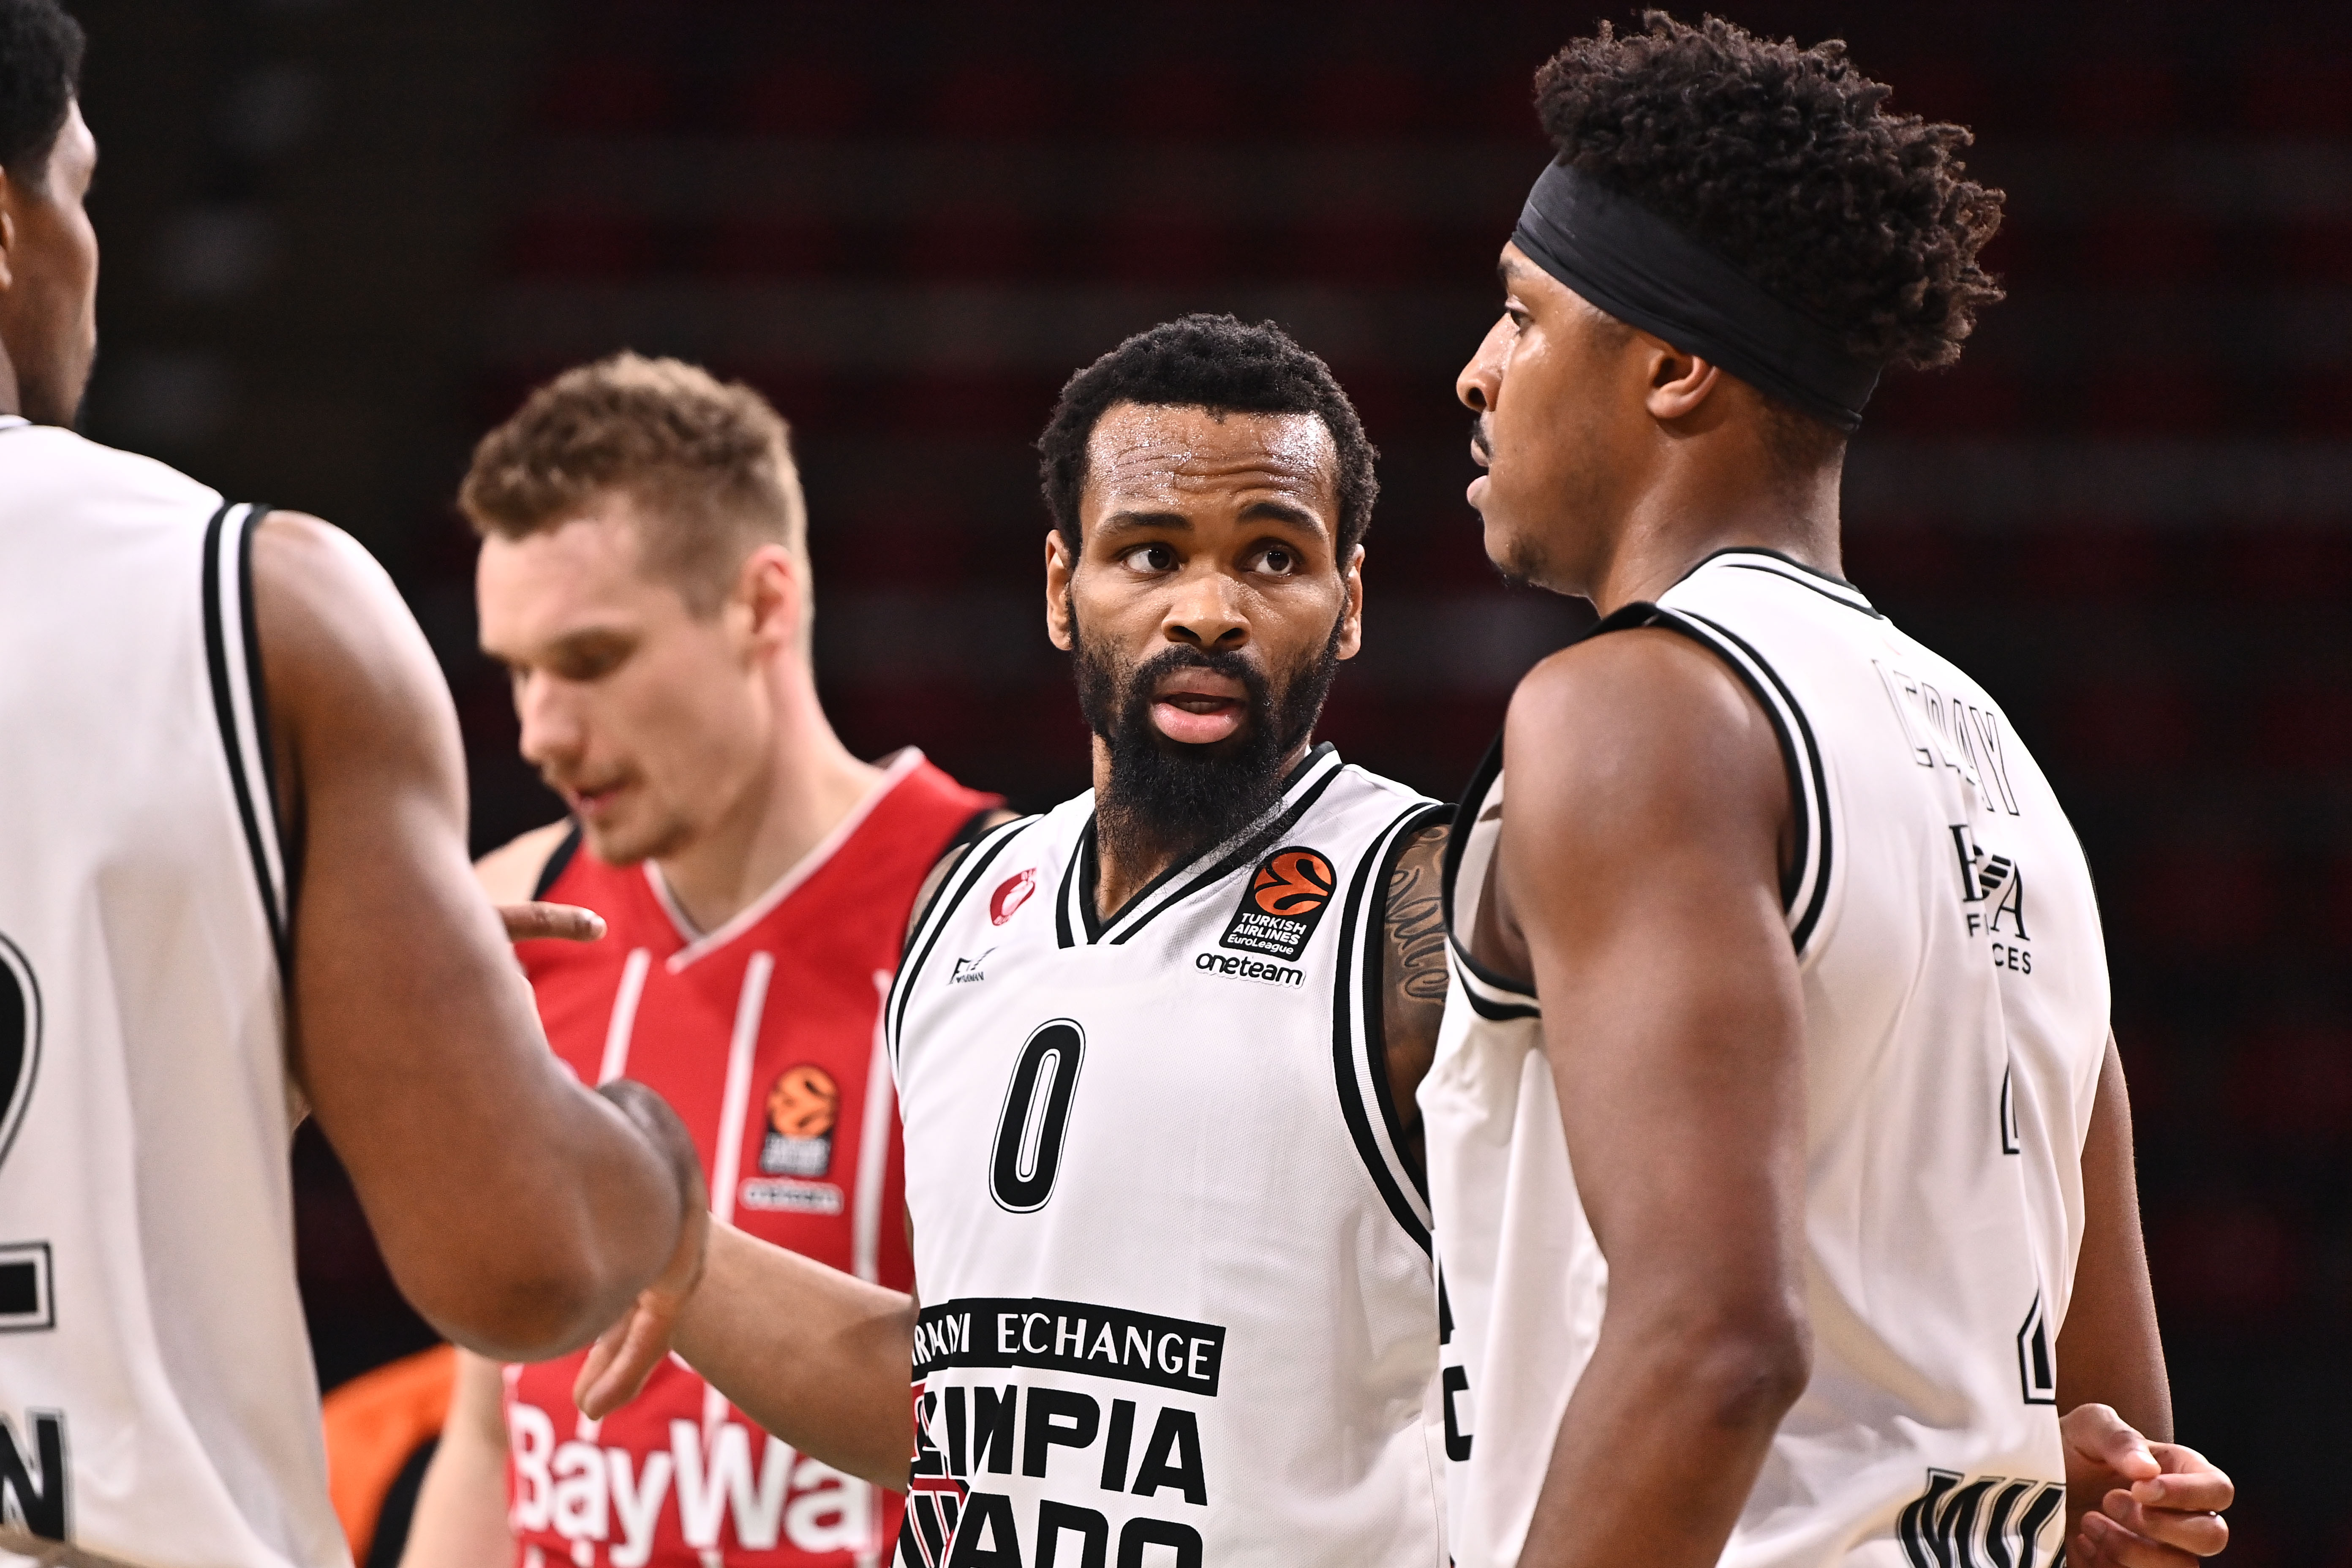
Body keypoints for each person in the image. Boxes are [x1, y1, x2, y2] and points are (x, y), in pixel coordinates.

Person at [1418, 16, 2233, 1568]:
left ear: (1672, 370)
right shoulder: (2005, 765)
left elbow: (1713, 1345)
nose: (1480, 371)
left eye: (1523, 316)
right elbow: (2122, 1433)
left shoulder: (1638, 709)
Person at [573, 315, 1459, 1568]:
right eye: (1151, 554)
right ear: (1060, 588)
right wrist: (685, 1256)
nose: (1209, 611)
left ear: (1348, 603)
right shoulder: (964, 905)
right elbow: (957, 1413)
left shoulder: (1425, 901)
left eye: (1273, 557)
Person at [0, 6, 706, 1567]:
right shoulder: (265, 602)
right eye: (81, 192)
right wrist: (650, 1145)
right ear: (6, 226)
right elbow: (522, 1260)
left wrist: (249, 1003)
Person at [398, 356, 1000, 1568]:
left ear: (762, 605)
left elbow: (1038, 1422)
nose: (539, 731)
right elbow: (493, 1429)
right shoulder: (506, 915)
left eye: (591, 660)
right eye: (517, 669)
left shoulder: (997, 926)